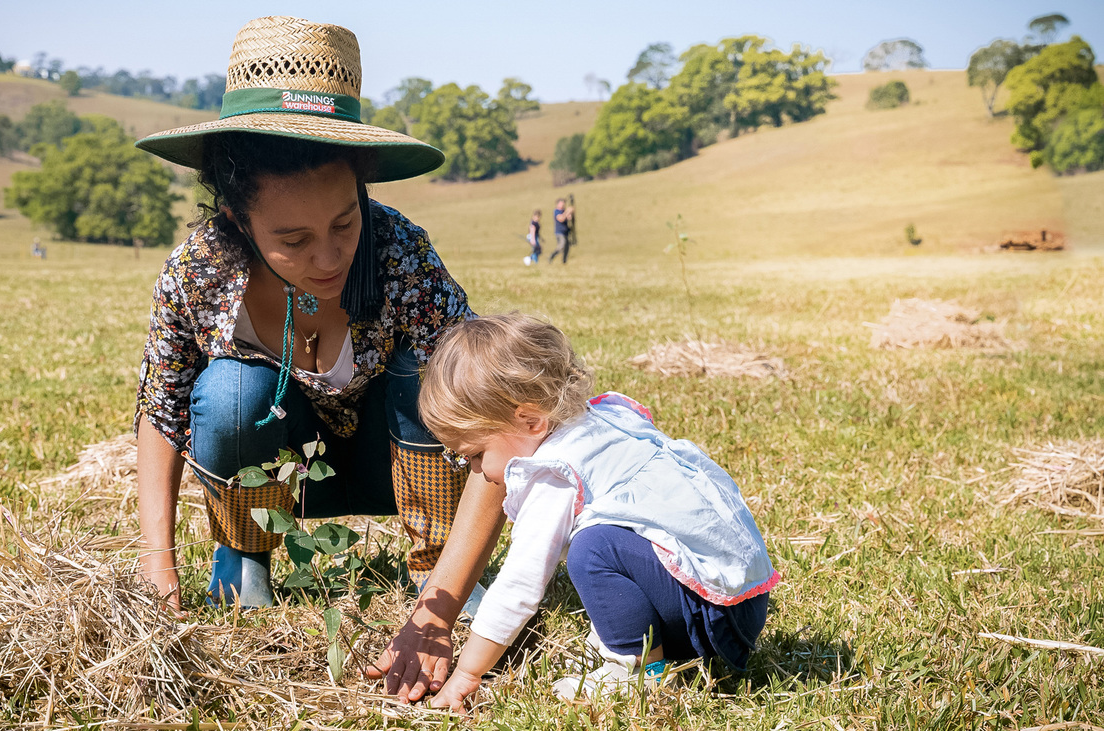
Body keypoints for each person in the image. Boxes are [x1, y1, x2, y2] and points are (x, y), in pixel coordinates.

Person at [132, 16, 505, 699]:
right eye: (293, 239)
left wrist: (439, 608)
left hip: (398, 466)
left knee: (437, 374)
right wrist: (159, 559)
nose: (329, 258)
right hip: (277, 476)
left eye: (343, 223)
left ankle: (441, 567)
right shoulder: (197, 273)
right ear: (240, 219)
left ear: (362, 187)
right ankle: (243, 558)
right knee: (228, 391)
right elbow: (161, 410)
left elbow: (496, 426)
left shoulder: (400, 252)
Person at [420, 314, 779, 712]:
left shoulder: (555, 472)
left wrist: (467, 674)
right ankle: (637, 641)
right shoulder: (602, 420)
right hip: (741, 599)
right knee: (610, 541)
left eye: (474, 455)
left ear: (531, 420)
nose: (476, 472)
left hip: (716, 618)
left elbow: (519, 585)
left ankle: (637, 672)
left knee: (594, 548)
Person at [549, 198, 573, 264]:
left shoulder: (563, 211)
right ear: (558, 204)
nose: (563, 204)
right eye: (561, 203)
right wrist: (567, 212)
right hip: (559, 232)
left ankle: (564, 261)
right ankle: (552, 256)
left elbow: (569, 218)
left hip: (566, 232)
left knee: (567, 247)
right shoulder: (556, 211)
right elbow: (561, 219)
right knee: (561, 245)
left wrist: (570, 211)